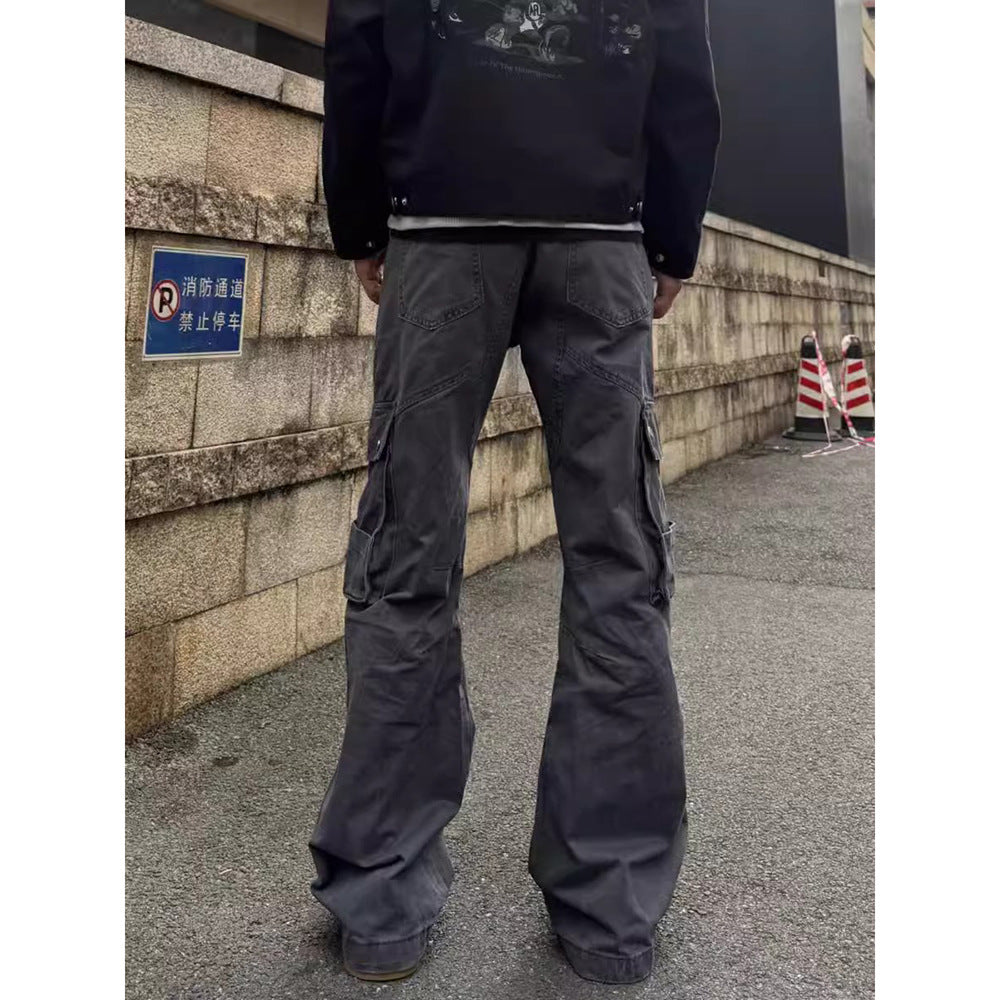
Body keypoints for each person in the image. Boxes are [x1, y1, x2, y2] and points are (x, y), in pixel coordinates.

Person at [309, 0, 720, 985]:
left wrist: (361, 218)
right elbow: (680, 60)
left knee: (408, 547)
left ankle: (381, 899)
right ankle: (609, 909)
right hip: (597, 228)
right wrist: (669, 234)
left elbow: (360, 34)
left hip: (441, 220)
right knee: (618, 558)